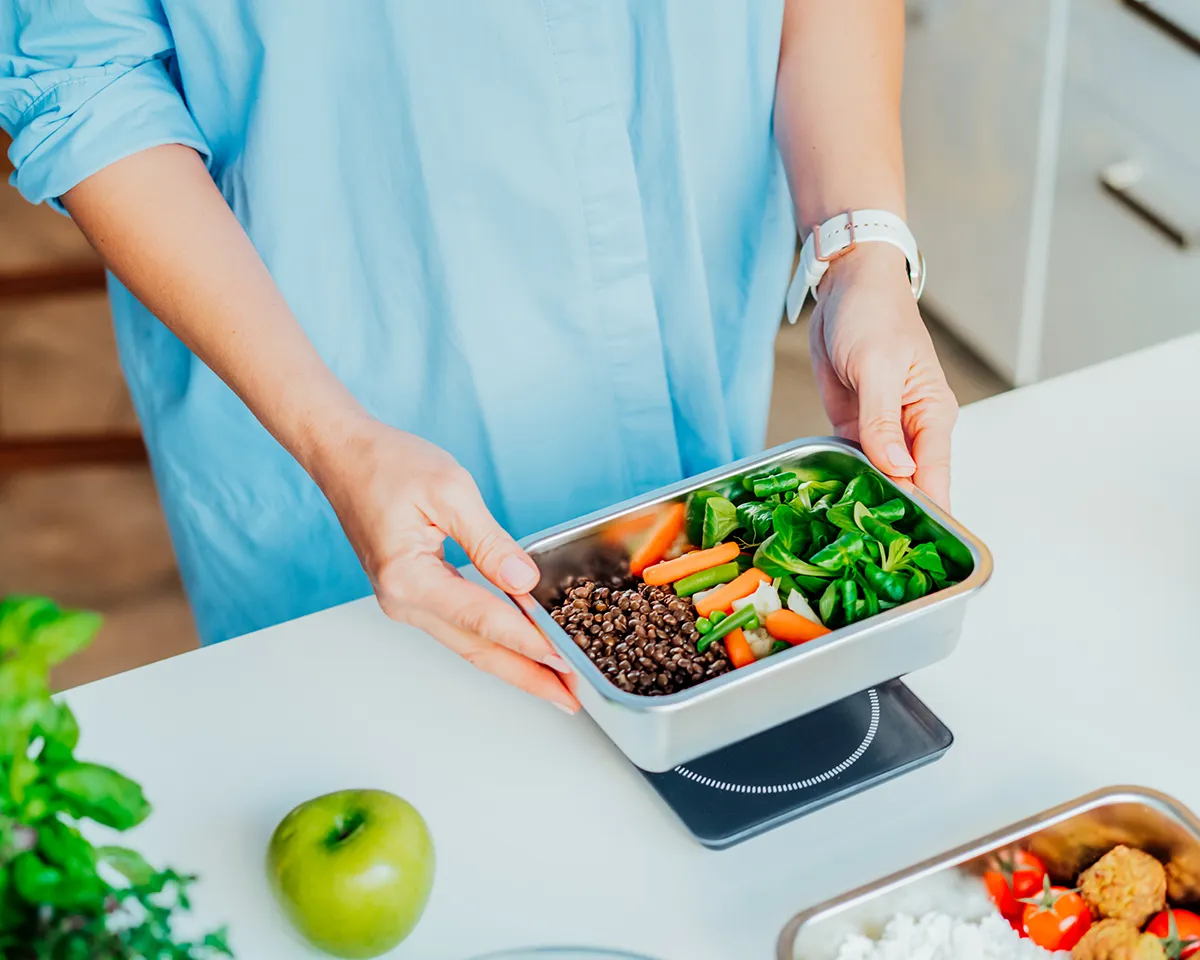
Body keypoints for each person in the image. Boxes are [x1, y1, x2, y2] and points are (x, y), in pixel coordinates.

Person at [1, 1, 956, 714]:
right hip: (336, 397)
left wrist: (860, 251)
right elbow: (83, 76)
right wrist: (334, 438)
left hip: (684, 333)